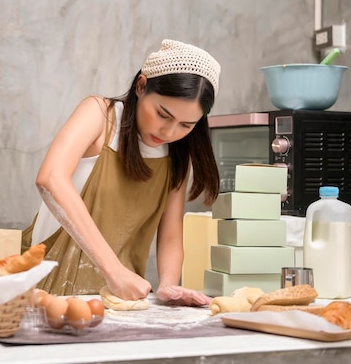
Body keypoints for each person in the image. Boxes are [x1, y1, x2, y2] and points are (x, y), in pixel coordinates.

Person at [22, 39, 221, 307]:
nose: (169, 133)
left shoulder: (176, 155)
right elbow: (50, 179)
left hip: (120, 300)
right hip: (49, 288)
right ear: (141, 86)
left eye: (186, 125)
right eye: (163, 114)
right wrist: (113, 271)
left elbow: (171, 233)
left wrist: (169, 285)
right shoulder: (100, 115)